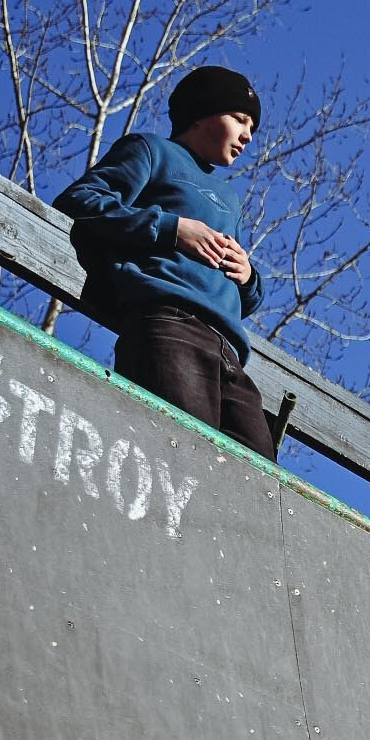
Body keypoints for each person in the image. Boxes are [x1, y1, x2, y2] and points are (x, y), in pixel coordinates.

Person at [56, 64, 274, 456]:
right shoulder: (151, 151)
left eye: (253, 128)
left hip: (229, 349)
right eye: (239, 119)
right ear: (202, 113)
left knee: (263, 478)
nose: (247, 135)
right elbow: (81, 200)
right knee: (180, 454)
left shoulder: (229, 198)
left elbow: (241, 292)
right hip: (169, 325)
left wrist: (248, 278)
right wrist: (173, 229)